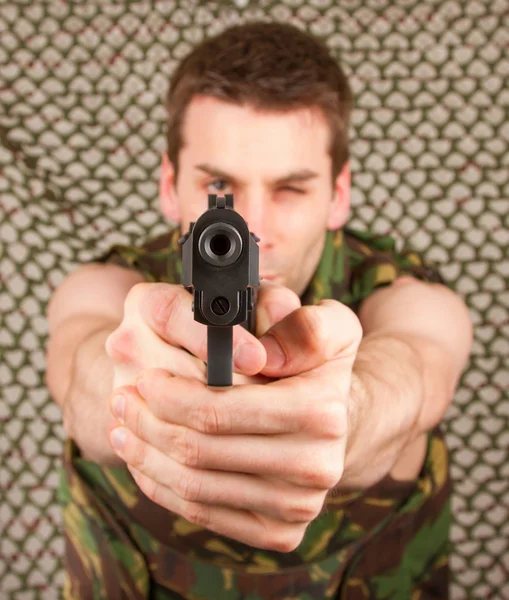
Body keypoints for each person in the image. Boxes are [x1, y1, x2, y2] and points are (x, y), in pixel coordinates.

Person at [45, 21, 473, 599]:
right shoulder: (111, 284)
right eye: (220, 183)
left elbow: (420, 364)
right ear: (170, 184)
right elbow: (79, 367)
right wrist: (132, 389)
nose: (251, 229)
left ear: (338, 194)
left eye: (290, 189)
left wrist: (350, 411)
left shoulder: (394, 288)